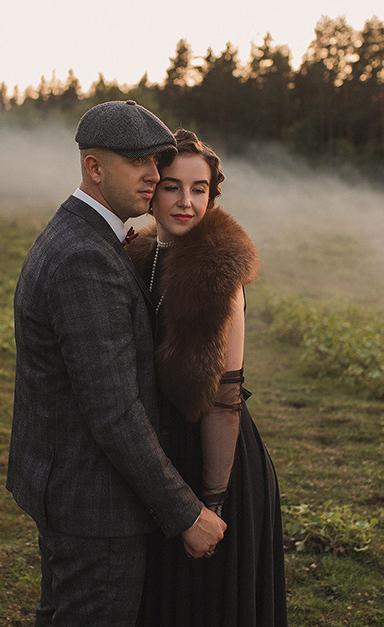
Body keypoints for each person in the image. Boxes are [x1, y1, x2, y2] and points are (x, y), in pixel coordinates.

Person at [7, 102, 227, 625]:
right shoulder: (85, 258)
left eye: (155, 160)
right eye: (136, 162)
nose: (153, 174)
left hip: (68, 491)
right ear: (95, 168)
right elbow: (114, 412)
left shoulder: (84, 236)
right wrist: (186, 513)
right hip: (94, 506)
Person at [127, 129, 288, 626]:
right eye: (172, 186)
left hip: (213, 459)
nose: (186, 202)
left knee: (204, 604)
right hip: (164, 453)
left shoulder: (218, 272)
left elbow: (224, 399)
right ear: (150, 190)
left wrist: (211, 503)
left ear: (212, 196)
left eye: (199, 189)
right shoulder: (144, 254)